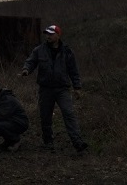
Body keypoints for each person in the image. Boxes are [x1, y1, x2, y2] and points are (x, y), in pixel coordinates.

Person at [21, 24, 88, 153]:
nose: (48, 36)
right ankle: (48, 142)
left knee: (68, 113)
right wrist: (26, 69)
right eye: (47, 33)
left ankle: (78, 143)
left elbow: (73, 71)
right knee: (45, 116)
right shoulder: (39, 50)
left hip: (62, 89)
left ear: (58, 35)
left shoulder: (67, 51)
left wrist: (77, 87)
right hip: (46, 89)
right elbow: (31, 61)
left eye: (51, 34)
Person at [0, 82, 29, 152]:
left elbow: (0, 116)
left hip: (20, 123)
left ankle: (15, 140)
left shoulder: (6, 99)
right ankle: (9, 140)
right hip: (12, 121)